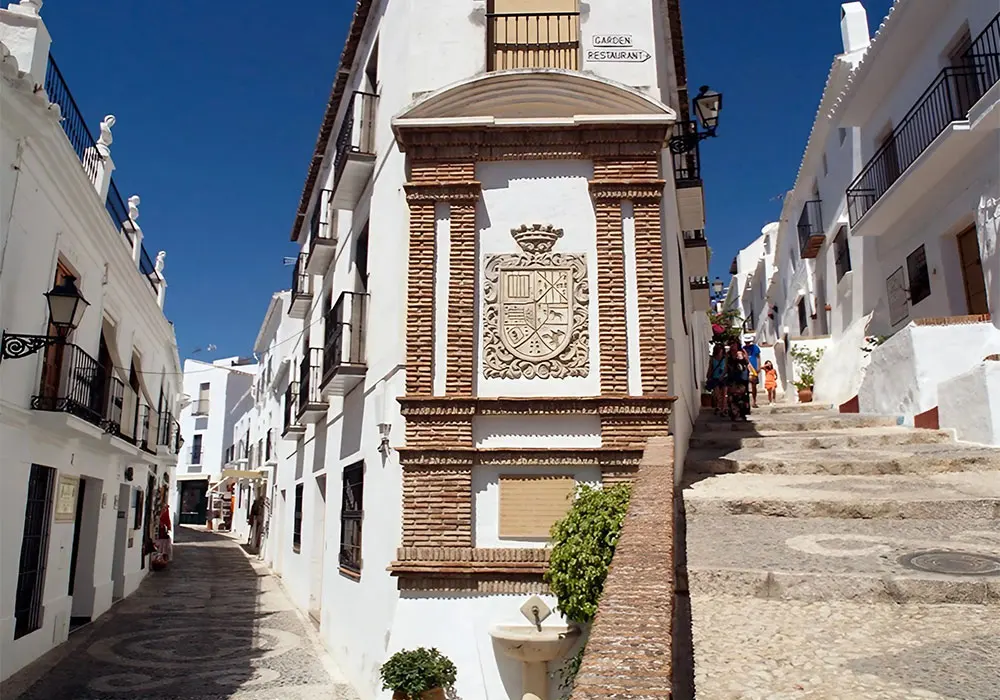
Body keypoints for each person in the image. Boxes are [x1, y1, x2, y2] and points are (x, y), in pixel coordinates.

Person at [725, 340, 751, 420]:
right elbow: (726, 366)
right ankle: (734, 414)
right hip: (732, 377)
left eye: (734, 344)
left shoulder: (742, 352)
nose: (732, 346)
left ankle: (742, 413)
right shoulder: (728, 354)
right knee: (732, 396)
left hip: (742, 378)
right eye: (731, 344)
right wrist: (723, 375)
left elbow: (747, 363)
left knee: (742, 396)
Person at [706, 344, 728, 415]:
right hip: (715, 378)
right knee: (717, 394)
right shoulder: (712, 359)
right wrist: (708, 375)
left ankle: (723, 409)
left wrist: (722, 376)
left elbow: (726, 368)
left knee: (724, 394)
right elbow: (710, 367)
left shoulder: (725, 358)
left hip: (724, 378)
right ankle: (719, 406)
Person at [743, 335, 762, 409]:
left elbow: (758, 357)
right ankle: (747, 402)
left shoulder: (755, 348)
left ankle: (754, 401)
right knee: (745, 386)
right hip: (746, 368)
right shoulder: (743, 348)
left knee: (754, 385)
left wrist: (758, 366)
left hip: (753, 368)